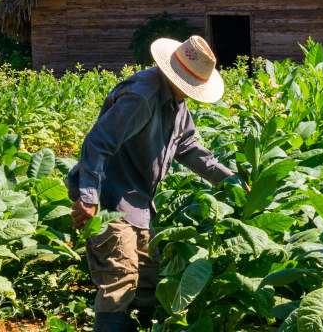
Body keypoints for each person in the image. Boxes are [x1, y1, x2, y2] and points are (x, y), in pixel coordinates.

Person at [65, 35, 239, 332]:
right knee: (120, 278)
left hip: (140, 203)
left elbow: (187, 146)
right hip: (110, 199)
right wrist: (89, 197)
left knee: (147, 278)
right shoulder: (142, 96)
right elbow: (98, 142)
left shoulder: (175, 100)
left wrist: (229, 180)